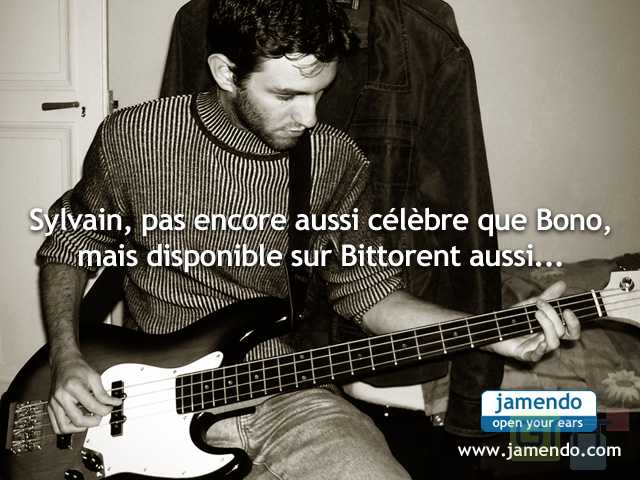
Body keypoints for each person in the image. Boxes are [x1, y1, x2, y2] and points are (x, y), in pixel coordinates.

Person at [37, 1, 580, 478]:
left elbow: (371, 295)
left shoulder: (334, 159)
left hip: (287, 392)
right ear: (225, 72)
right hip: (144, 401)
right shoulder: (135, 138)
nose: (309, 117)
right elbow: (68, 246)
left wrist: (487, 332)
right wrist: (66, 356)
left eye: (320, 93)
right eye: (286, 95)